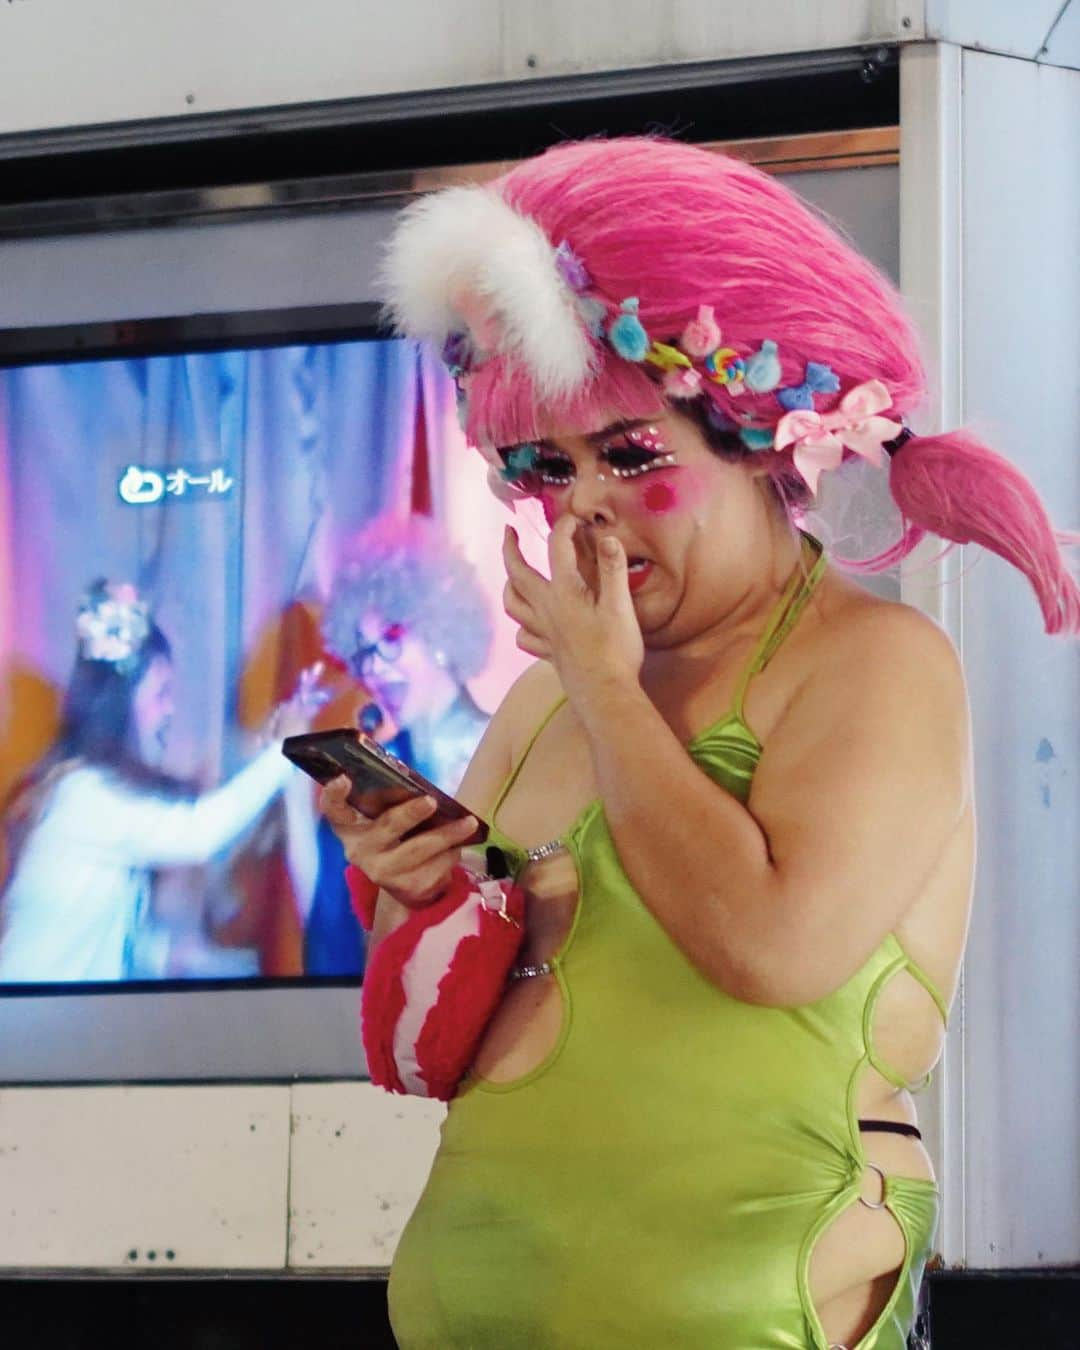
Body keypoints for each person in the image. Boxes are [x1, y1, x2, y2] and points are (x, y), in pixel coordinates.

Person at [320, 139, 1079, 1348]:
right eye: (540, 468)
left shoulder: (874, 664)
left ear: (762, 436)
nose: (583, 508)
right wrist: (415, 882)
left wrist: (612, 696)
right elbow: (474, 999)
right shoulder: (548, 693)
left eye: (628, 455)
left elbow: (773, 949)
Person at [0, 579, 319, 983]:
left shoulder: (88, 791)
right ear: (124, 700)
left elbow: (108, 934)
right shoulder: (82, 794)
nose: (170, 710)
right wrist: (286, 750)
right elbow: (200, 831)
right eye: (162, 692)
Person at [303, 514, 493, 975]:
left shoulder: (505, 743)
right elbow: (331, 926)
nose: (375, 669)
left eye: (389, 639)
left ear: (441, 630)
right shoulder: (373, 774)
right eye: (363, 651)